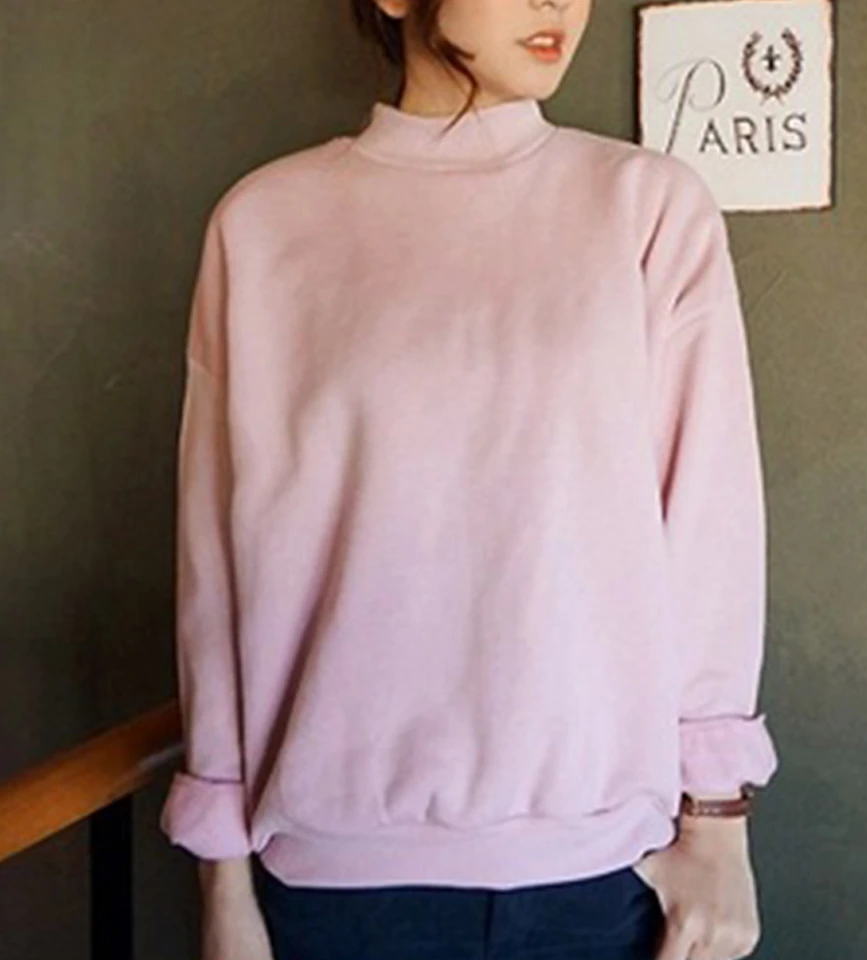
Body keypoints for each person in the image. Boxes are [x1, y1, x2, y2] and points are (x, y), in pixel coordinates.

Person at [158, 0, 780, 958]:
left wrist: (718, 825)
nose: (556, 3)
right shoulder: (263, 223)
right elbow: (214, 563)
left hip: (600, 877)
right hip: (334, 886)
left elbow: (709, 524)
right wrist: (222, 879)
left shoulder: (646, 207)